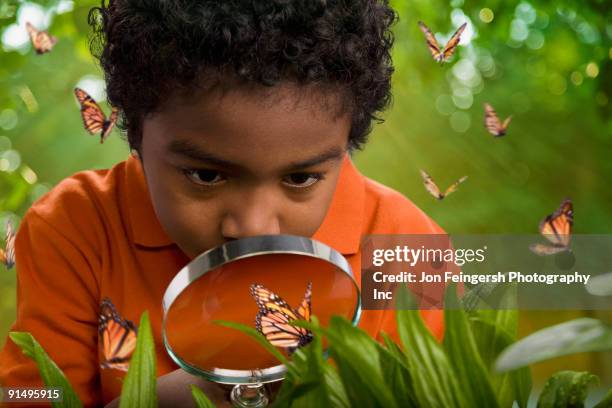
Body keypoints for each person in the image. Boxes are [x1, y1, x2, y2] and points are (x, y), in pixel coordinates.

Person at [0, 0, 448, 406]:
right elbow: (26, 393)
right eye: (206, 176)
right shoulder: (74, 228)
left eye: (300, 178)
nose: (255, 225)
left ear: (348, 142)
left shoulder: (410, 245)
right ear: (135, 133)